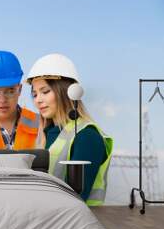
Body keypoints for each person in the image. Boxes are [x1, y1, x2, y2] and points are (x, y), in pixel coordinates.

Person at [25, 53, 113, 206]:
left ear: (66, 91)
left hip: (80, 225)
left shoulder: (86, 136)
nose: (38, 99)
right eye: (34, 94)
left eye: (45, 91)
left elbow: (74, 201)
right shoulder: (47, 135)